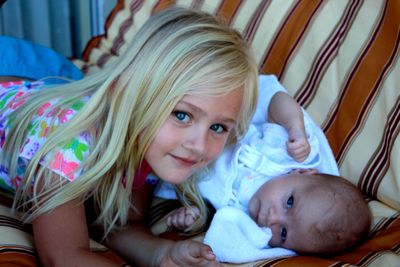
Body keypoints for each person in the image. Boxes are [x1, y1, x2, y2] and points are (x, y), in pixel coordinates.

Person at [0, 7, 258, 267]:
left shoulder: (153, 144)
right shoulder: (69, 142)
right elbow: (63, 256)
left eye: (218, 128)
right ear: (130, 96)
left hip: (54, 78)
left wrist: (164, 254)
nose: (199, 146)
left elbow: (117, 225)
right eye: (181, 115)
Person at [159, 75, 371, 263]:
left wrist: (192, 214)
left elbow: (214, 217)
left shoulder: (245, 222)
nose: (272, 218)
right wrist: (294, 126)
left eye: (284, 233)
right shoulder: (284, 156)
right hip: (204, 125)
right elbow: (277, 100)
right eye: (289, 202)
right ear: (302, 172)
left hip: (177, 162)